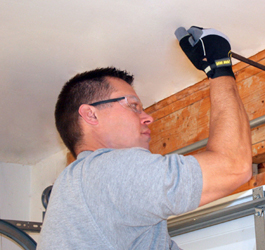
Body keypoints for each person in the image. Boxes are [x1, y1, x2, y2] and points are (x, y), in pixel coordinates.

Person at [38, 26, 252, 249]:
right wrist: (218, 67)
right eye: (133, 106)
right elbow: (233, 165)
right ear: (91, 114)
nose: (148, 117)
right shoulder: (104, 171)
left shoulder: (80, 190)